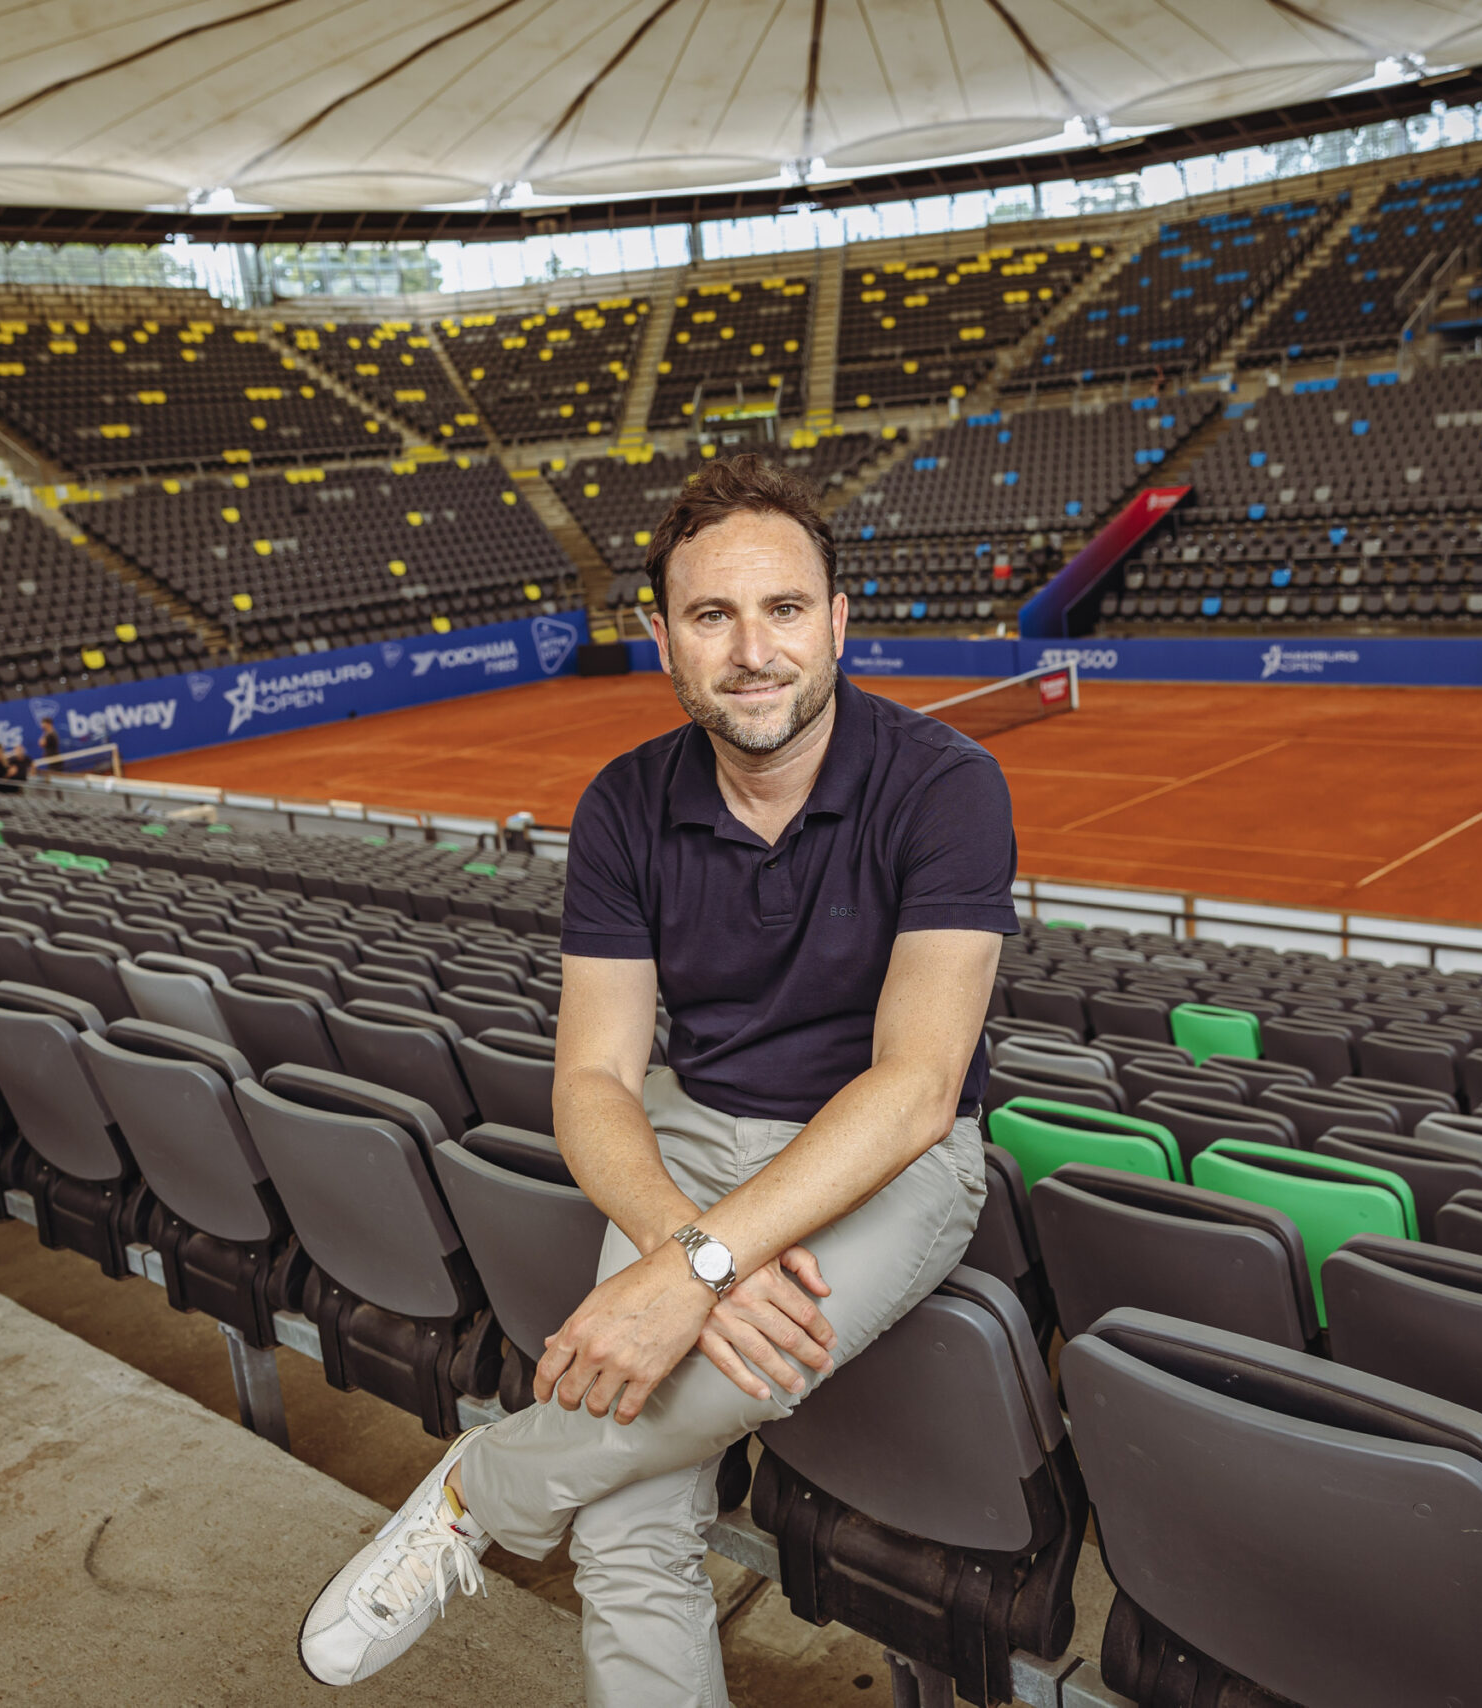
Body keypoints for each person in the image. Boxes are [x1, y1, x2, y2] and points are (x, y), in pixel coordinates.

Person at [298, 454, 1017, 1704]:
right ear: (665, 641)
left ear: (839, 621)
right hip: (690, 1139)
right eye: (712, 616)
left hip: (890, 1156)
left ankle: (476, 1488)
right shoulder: (623, 805)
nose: (753, 649)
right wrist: (689, 1249)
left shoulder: (948, 784)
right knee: (630, 1527)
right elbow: (590, 1077)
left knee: (695, 1391)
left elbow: (914, 1086)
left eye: (785, 609)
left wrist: (690, 1276)